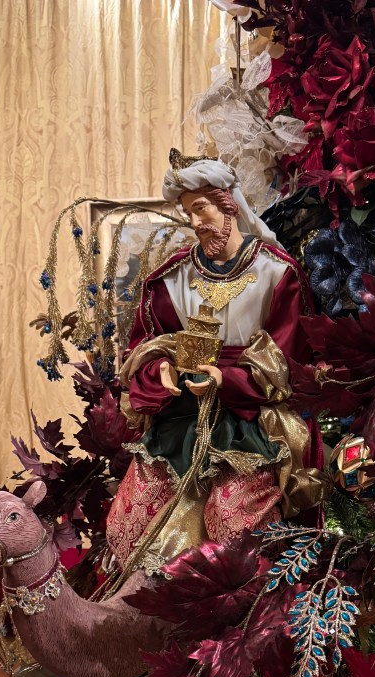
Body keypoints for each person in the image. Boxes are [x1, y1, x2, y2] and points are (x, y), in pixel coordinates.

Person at [106, 151, 329, 572]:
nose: (195, 222)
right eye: (188, 212)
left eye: (202, 209)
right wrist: (161, 370)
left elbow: (290, 360)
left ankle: (239, 602)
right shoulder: (171, 278)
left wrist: (226, 380)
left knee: (234, 525)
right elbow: (146, 348)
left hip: (250, 421)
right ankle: (157, 601)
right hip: (180, 419)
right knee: (128, 526)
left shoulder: (276, 274)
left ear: (229, 204)